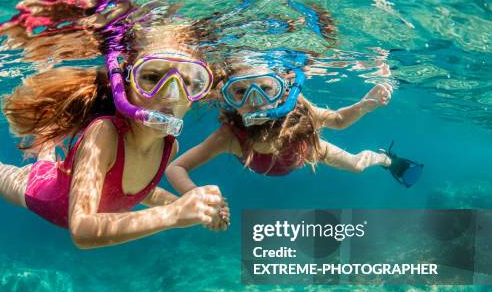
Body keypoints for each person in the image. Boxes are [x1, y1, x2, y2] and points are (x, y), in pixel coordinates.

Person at [0, 23, 227, 249]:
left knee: (49, 158)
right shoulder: (104, 133)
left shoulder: (170, 147)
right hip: (38, 191)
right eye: (151, 76)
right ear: (125, 85)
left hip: (63, 177)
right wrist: (175, 213)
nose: (172, 94)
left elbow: (137, 190)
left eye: (190, 82)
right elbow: (82, 229)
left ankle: (48, 142)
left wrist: (195, 206)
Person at [166, 57, 423, 202]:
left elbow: (337, 121)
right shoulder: (231, 136)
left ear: (283, 91)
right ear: (228, 97)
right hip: (271, 161)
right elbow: (176, 167)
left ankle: (384, 158)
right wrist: (195, 195)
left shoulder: (296, 109)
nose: (254, 100)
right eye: (240, 92)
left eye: (265, 88)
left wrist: (364, 105)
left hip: (307, 150)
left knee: (356, 166)